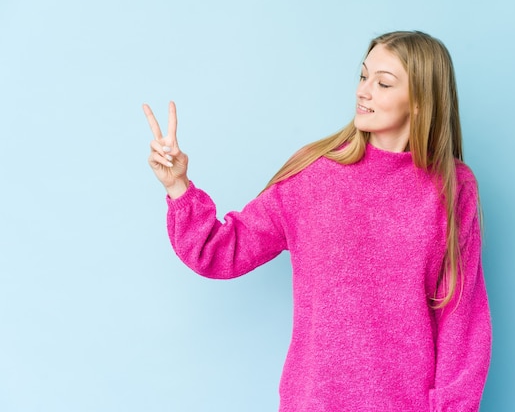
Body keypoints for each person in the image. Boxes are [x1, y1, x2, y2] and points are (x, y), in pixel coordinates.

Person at [144, 30, 491, 411]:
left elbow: (462, 320)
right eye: (363, 76)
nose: (363, 91)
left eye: (383, 82)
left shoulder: (452, 190)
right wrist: (178, 187)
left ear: (422, 102)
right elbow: (220, 251)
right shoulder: (314, 174)